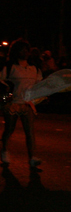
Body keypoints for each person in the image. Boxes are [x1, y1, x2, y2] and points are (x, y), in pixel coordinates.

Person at [0, 39, 43, 168]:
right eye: (21, 49)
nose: (25, 52)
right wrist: (7, 90)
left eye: (26, 50)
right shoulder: (9, 67)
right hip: (12, 103)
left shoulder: (34, 68)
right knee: (9, 128)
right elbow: (1, 81)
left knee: (29, 131)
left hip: (27, 103)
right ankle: (5, 151)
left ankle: (32, 157)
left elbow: (39, 84)